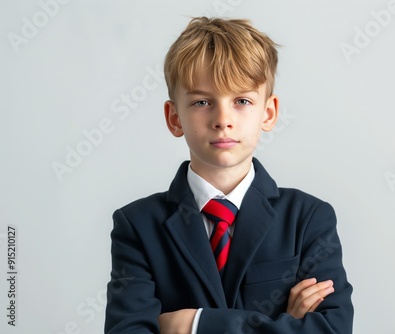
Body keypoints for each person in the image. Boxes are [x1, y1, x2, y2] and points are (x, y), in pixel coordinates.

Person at [105, 16, 354, 334]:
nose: (223, 119)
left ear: (268, 113)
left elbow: (330, 329)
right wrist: (285, 325)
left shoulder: (308, 218)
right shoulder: (137, 225)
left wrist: (193, 324)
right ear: (174, 118)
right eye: (202, 102)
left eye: (242, 101)